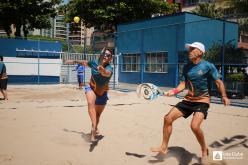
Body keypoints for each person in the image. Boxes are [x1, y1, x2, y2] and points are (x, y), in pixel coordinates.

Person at [151, 42, 230, 157]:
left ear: (200, 52)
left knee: (194, 126)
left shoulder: (208, 66)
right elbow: (183, 84)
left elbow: (218, 82)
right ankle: (164, 147)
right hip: (188, 100)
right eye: (190, 49)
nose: (190, 51)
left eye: (193, 49)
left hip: (202, 100)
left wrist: (224, 96)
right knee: (167, 118)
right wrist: (173, 91)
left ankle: (204, 148)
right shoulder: (187, 66)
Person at [66, 50, 113, 141]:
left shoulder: (109, 68)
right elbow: (84, 62)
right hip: (91, 87)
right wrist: (73, 61)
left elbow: (107, 73)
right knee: (90, 103)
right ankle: (94, 127)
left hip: (102, 92)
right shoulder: (94, 62)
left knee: (98, 114)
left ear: (110, 58)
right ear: (100, 55)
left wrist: (102, 70)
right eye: (104, 54)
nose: (105, 56)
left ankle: (93, 132)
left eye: (108, 55)